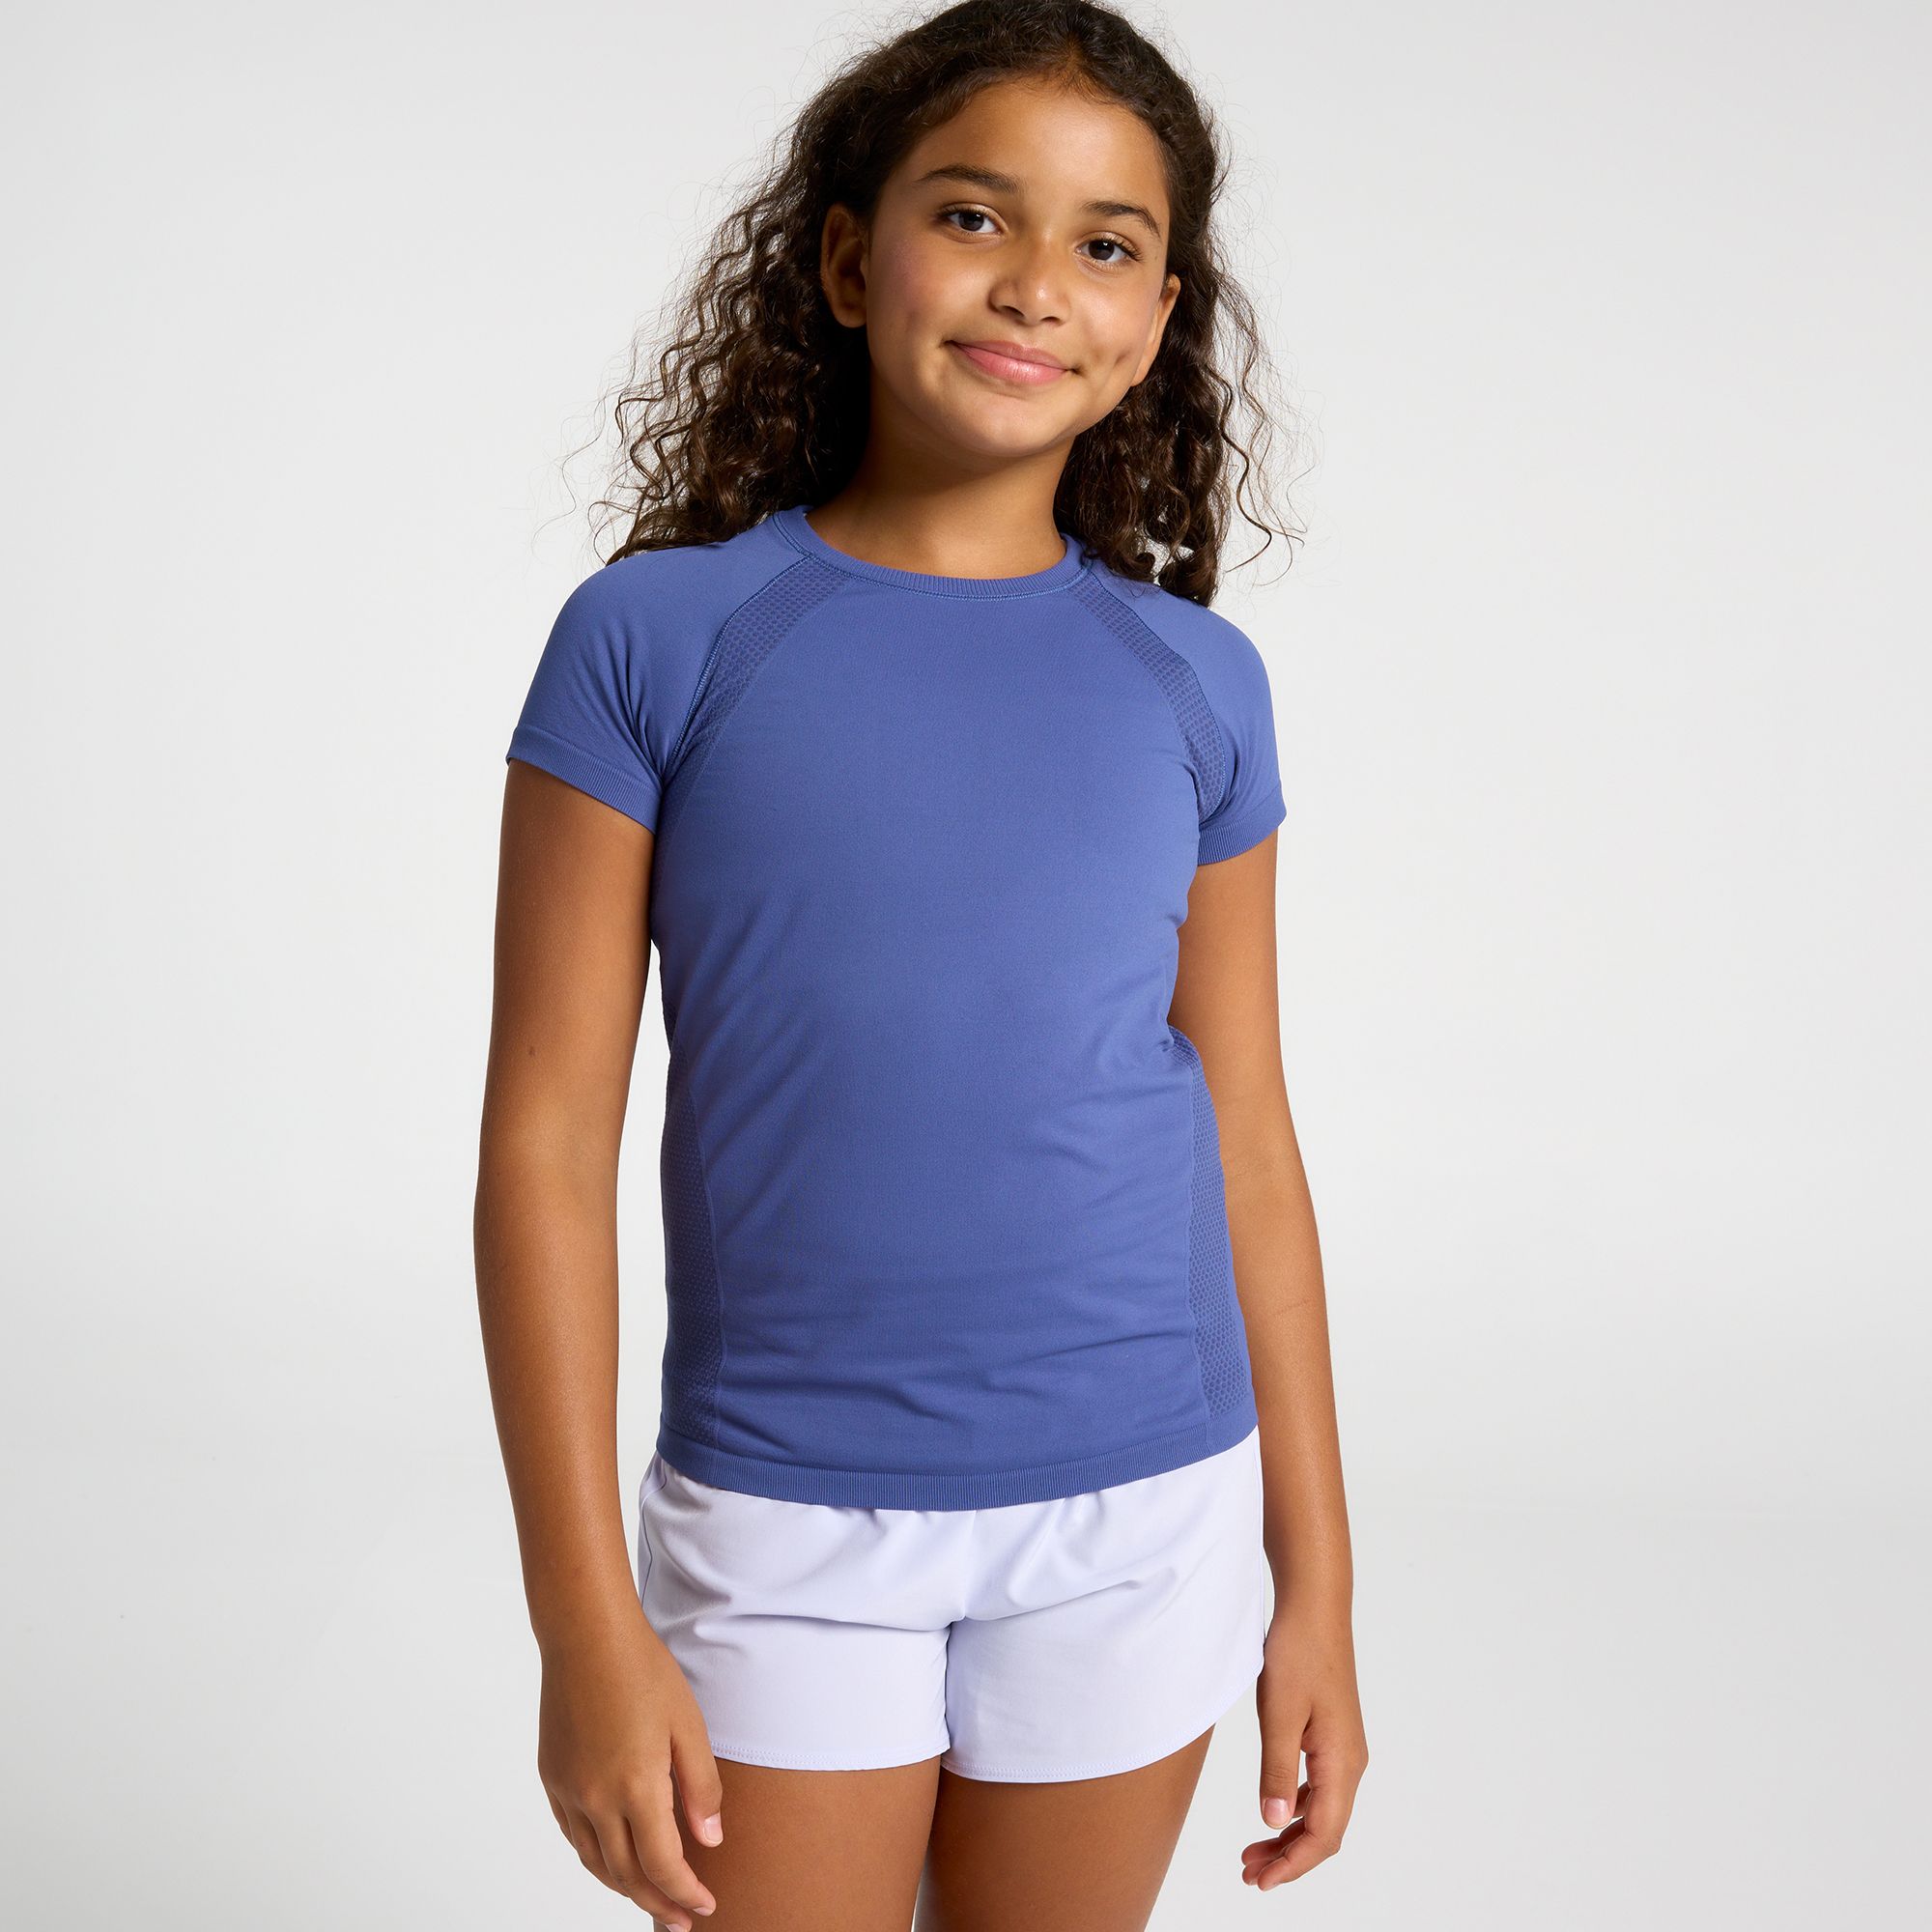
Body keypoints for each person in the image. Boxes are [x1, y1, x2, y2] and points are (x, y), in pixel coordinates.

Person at [474, 4, 1367, 1926]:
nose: (1036, 282)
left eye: (1106, 243)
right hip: (785, 1516)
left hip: (1145, 1509)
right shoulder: (657, 639)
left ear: (1157, 317)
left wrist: (1320, 1586)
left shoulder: (1196, 680)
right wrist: (583, 1624)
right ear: (841, 257)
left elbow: (1248, 1135)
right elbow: (544, 1142)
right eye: (973, 215)